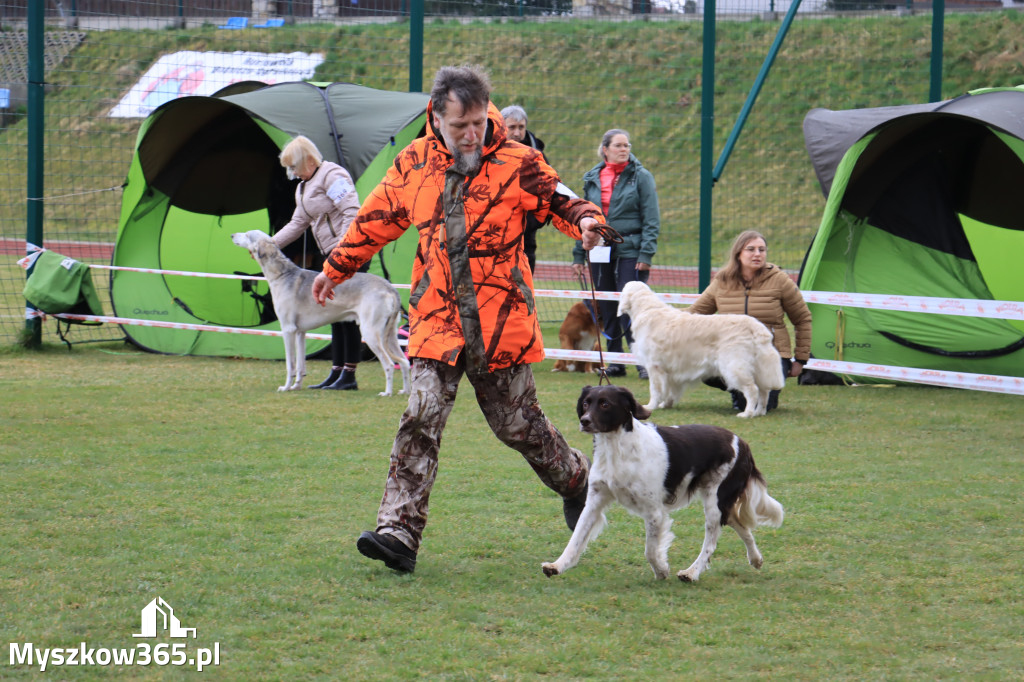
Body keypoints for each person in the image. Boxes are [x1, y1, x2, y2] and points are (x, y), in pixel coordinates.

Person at [311, 65, 609, 574]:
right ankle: (399, 533)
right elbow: (373, 222)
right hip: (436, 322)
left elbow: (562, 200)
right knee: (421, 416)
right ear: (436, 116)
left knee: (519, 427)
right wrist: (336, 267)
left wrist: (587, 221)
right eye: (459, 126)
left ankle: (576, 480)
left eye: (477, 123)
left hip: (501, 325)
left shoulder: (519, 161)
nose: (471, 134)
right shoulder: (412, 166)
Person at [274, 135, 366, 391]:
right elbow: (297, 223)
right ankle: (336, 371)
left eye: (294, 166)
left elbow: (352, 211)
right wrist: (271, 245)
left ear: (308, 160)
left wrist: (342, 250)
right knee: (333, 312)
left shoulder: (332, 175)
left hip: (349, 254)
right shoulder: (304, 186)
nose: (291, 172)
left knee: (349, 314)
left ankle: (349, 374)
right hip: (331, 258)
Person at [689, 229, 812, 411]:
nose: (757, 254)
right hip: (731, 353)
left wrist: (800, 360)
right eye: (751, 249)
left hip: (771, 353)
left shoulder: (780, 280)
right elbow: (693, 314)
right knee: (705, 370)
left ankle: (746, 389)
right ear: (738, 253)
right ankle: (737, 387)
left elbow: (802, 319)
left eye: (762, 250)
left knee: (764, 407)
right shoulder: (721, 281)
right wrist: (659, 316)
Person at [571, 128, 660, 378]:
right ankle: (615, 361)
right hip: (600, 247)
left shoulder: (641, 177)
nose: (624, 150)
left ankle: (642, 361)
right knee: (606, 304)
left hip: (631, 247)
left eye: (627, 145)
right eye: (619, 145)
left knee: (631, 304)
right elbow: (585, 217)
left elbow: (652, 219)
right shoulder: (593, 178)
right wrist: (579, 254)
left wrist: (646, 254)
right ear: (605, 149)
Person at [500, 104, 549, 273]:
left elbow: (549, 191)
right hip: (496, 234)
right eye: (512, 127)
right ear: (501, 127)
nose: (517, 132)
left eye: (521, 127)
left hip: (526, 237)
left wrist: (532, 222)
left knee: (524, 288)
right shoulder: (489, 153)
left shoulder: (537, 156)